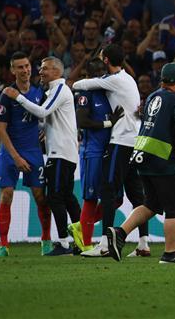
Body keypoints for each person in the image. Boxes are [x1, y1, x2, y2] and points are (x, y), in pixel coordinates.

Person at [106, 63, 175, 263]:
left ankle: (119, 233)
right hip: (163, 160)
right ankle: (170, 253)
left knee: (151, 204)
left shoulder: (153, 96)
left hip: (143, 156)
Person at [73, 44, 147, 258]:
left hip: (121, 142)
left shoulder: (113, 80)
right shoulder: (128, 79)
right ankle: (143, 244)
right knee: (136, 194)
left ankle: (105, 243)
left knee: (107, 191)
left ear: (106, 61)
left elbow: (80, 83)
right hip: (135, 142)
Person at [4, 56, 80, 256]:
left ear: (56, 71)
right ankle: (83, 239)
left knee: (55, 197)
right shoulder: (52, 91)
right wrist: (45, 128)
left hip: (60, 153)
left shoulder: (60, 89)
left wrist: (17, 97)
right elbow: (50, 117)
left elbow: (41, 111)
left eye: (44, 68)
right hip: (64, 152)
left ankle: (63, 243)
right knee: (67, 197)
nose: (40, 71)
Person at [0, 53, 53, 257]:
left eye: (27, 66)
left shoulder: (39, 93)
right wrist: (16, 157)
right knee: (6, 195)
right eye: (20, 67)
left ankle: (46, 240)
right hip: (10, 152)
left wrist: (46, 130)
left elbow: (48, 116)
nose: (25, 70)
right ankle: (3, 245)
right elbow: (0, 131)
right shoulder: (7, 94)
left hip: (33, 151)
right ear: (12, 71)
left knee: (40, 197)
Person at [70, 58, 123, 252]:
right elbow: (82, 121)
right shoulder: (86, 93)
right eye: (98, 72)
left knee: (117, 198)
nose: (103, 75)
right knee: (91, 198)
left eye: (104, 71)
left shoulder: (109, 92)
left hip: (111, 151)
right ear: (88, 75)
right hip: (92, 152)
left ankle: (81, 226)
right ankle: (85, 243)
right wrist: (109, 124)